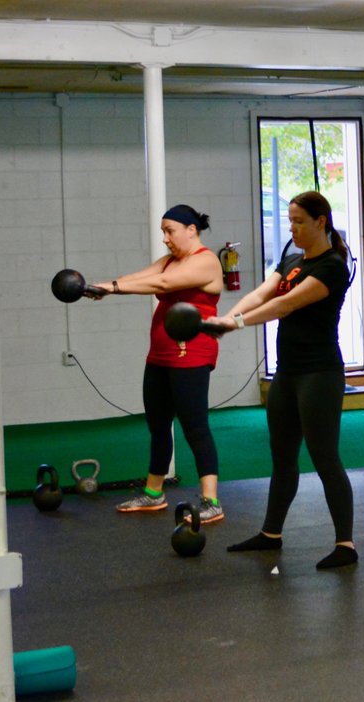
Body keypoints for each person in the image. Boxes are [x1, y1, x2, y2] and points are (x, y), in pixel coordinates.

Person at [211, 190, 358, 570]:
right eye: (290, 220)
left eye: (298, 221)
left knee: (325, 458)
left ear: (320, 222)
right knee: (282, 457)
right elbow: (263, 293)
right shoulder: (291, 260)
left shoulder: (332, 266)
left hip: (319, 374)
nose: (291, 228)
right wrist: (226, 318)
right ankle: (271, 533)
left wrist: (235, 324)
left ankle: (345, 544)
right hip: (288, 374)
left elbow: (285, 304)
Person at [86, 204, 226, 524]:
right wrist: (104, 286)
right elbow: (141, 277)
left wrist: (114, 288)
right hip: (160, 355)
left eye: (170, 231)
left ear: (191, 230)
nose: (165, 238)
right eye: (163, 232)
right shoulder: (170, 260)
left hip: (191, 354)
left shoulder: (205, 261)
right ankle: (153, 493)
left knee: (195, 427)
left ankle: (211, 501)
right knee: (158, 425)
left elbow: (163, 285)